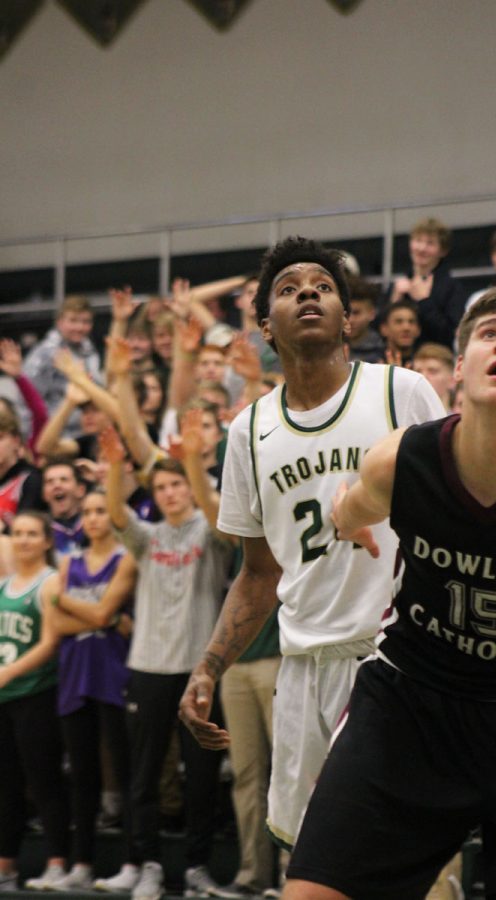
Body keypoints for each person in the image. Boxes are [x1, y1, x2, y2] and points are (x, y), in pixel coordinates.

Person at [283, 284, 496, 900]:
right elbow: (349, 508)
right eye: (489, 333)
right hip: (410, 705)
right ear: (460, 369)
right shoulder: (401, 461)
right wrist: (347, 521)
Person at [179, 237, 443, 864]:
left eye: (323, 287)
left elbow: (454, 519)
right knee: (313, 861)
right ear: (265, 325)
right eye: (290, 287)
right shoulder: (247, 429)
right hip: (302, 668)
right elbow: (259, 572)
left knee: (403, 859)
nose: (309, 294)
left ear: (348, 318)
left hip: (394, 659)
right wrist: (209, 665)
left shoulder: (400, 392)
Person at [101, 415, 232, 900]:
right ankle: (148, 863)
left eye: (178, 484)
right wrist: (116, 467)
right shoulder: (148, 537)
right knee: (145, 772)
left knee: (200, 776)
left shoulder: (211, 530)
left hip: (199, 671)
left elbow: (219, 517)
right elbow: (117, 514)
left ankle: (197, 868)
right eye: (162, 486)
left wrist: (195, 459)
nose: (171, 493)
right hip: (149, 669)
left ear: (191, 487)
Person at [44, 489, 137, 891]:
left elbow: (89, 612)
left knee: (126, 771)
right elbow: (59, 626)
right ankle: (81, 864)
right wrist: (105, 619)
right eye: (89, 512)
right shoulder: (68, 562)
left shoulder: (127, 559)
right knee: (82, 777)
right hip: (74, 676)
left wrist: (65, 600)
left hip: (114, 676)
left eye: (102, 510)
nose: (95, 518)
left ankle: (134, 862)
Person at [0, 512, 70, 892]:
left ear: (47, 541)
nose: (24, 540)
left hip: (36, 695)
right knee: (5, 785)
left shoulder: (50, 581)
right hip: (4, 698)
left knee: (44, 782)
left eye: (31, 534)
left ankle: (58, 862)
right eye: (18, 534)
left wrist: (9, 672)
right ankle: (6, 865)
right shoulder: (5, 584)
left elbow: (50, 642)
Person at [23, 295, 101, 437]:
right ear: (59, 322)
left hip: (86, 432)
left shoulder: (89, 349)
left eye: (86, 321)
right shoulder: (44, 355)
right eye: (73, 321)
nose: (79, 327)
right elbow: (29, 403)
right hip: (56, 435)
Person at [389, 217, 465, 350]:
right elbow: (380, 330)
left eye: (430, 243)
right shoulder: (398, 284)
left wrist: (424, 301)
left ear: (443, 251)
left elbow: (450, 335)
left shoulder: (453, 287)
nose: (422, 248)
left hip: (435, 360)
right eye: (418, 241)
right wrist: (394, 300)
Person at [346, 276, 385, 363]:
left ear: (372, 314)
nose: (350, 320)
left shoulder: (385, 351)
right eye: (346, 313)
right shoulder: (328, 348)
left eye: (356, 313)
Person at [412, 342, 456, 411]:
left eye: (432, 371)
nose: (423, 377)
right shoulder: (401, 420)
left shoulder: (462, 421)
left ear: (452, 380)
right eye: (418, 372)